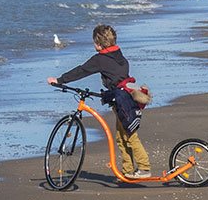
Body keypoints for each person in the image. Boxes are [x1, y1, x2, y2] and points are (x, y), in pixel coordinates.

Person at [47, 24, 150, 179]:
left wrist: (60, 80)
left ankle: (144, 168)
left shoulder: (101, 59)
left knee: (130, 136)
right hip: (127, 95)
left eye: (94, 42)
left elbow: (82, 70)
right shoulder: (117, 53)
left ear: (98, 44)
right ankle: (128, 170)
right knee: (122, 136)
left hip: (122, 100)